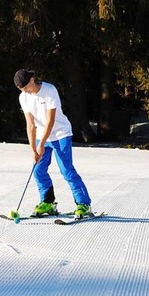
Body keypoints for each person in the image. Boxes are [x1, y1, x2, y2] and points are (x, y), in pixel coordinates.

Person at [14, 69, 92, 219]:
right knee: (38, 170)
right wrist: (33, 149)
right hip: (42, 137)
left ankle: (84, 204)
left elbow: (50, 121)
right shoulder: (23, 97)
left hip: (60, 134)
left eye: (26, 88)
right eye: (22, 90)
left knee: (66, 170)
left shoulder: (49, 90)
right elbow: (30, 125)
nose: (25, 92)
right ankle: (48, 202)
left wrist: (41, 144)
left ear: (31, 80)